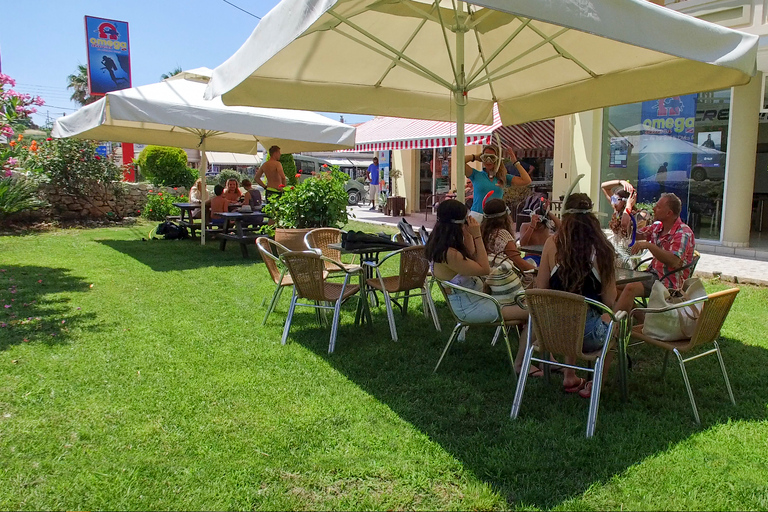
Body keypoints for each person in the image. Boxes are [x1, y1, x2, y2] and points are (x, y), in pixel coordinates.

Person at [425, 199, 531, 374]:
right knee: (536, 312)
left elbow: (473, 256)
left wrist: (468, 234)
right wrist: (476, 235)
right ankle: (522, 363)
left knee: (532, 306)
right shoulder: (449, 254)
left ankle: (539, 359)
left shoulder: (444, 245)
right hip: (472, 306)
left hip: (476, 298)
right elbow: (483, 268)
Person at [536, 193, 618, 398]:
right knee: (619, 319)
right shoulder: (602, 249)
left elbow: (540, 289)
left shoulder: (550, 244)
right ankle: (597, 383)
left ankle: (570, 375)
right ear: (592, 216)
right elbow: (609, 301)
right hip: (586, 336)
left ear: (564, 216)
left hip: (549, 332)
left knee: (570, 310)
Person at [615, 193, 696, 313]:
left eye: (658, 207)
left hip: (668, 281)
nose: (653, 209)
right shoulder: (658, 227)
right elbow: (632, 234)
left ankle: (610, 326)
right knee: (615, 285)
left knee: (630, 288)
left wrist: (649, 245)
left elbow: (674, 261)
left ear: (669, 213)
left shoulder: (683, 232)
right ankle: (641, 321)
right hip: (652, 275)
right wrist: (626, 213)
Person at [465, 145, 531, 222]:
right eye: (486, 157)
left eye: (492, 157)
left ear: (497, 159)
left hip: (497, 217)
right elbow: (459, 162)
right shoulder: (476, 175)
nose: (488, 160)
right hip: (478, 216)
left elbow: (527, 181)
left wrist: (515, 162)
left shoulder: (503, 177)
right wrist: (476, 157)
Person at [481, 199, 536, 273]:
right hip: (502, 277)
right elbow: (520, 264)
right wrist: (539, 271)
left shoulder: (481, 232)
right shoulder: (502, 235)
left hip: (487, 275)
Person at [518, 197, 561, 265]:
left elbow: (560, 226)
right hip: (531, 256)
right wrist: (532, 227)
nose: (538, 226)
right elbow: (523, 243)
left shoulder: (546, 226)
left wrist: (548, 212)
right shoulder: (525, 226)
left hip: (544, 257)